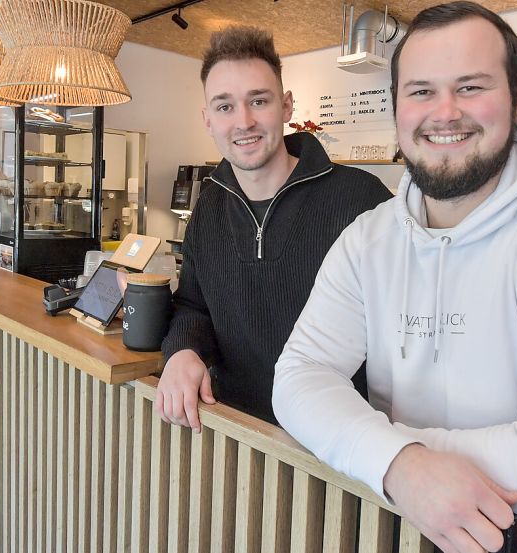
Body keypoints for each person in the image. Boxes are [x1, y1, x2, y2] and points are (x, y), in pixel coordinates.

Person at [272, 3, 517, 552]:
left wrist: (369, 447)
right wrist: (400, 466)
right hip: (392, 528)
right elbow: (298, 377)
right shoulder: (368, 238)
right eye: (420, 91)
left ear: (516, 100)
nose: (445, 112)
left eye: (470, 86)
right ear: (397, 108)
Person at [157, 26, 392, 430]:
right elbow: (194, 305)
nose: (243, 121)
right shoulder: (211, 204)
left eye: (258, 101)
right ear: (208, 120)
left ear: (285, 107)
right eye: (225, 106)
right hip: (236, 433)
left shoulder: (361, 200)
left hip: (340, 448)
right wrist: (182, 351)